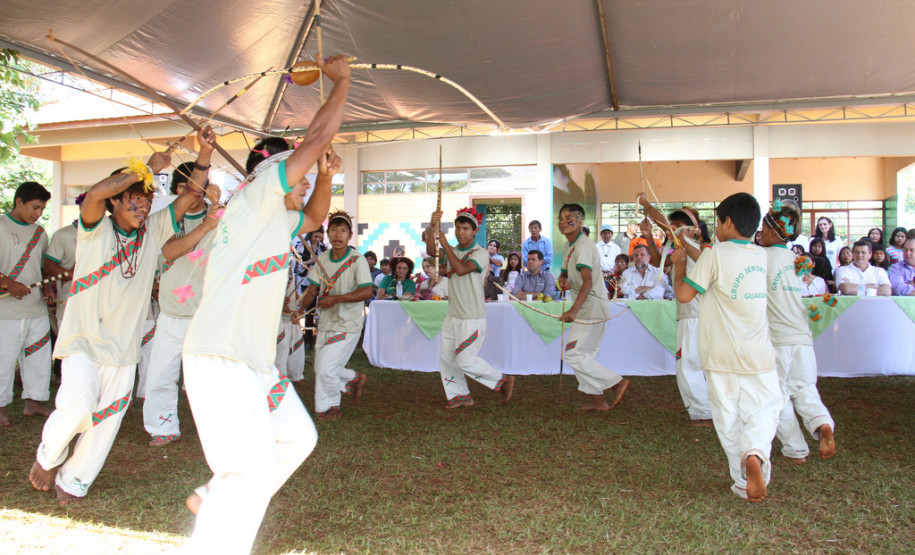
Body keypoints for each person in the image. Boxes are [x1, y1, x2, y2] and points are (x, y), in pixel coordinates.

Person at [179, 55, 350, 554]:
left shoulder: (276, 218)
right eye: (295, 177)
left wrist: (324, 177)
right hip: (221, 355)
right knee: (250, 469)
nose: (301, 184)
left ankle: (217, 498)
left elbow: (315, 216)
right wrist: (342, 81)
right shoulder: (256, 197)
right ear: (273, 174)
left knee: (298, 438)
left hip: (256, 365)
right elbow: (315, 139)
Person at [28, 140, 207, 505]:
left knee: (106, 422)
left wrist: (205, 152)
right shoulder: (93, 228)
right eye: (134, 199)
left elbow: (191, 195)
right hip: (83, 340)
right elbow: (94, 192)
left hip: (123, 351)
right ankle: (49, 456)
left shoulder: (154, 230)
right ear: (115, 202)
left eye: (146, 199)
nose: (143, 206)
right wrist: (146, 167)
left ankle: (75, 480)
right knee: (77, 409)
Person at [671, 192, 781, 502]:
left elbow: (683, 296)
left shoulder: (714, 255)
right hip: (758, 354)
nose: (715, 227)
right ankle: (755, 454)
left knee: (728, 417)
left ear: (728, 222)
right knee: (764, 409)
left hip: (719, 356)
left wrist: (680, 265)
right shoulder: (762, 256)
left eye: (718, 221)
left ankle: (741, 479)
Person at [143, 153, 221, 447]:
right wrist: (205, 227)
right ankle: (162, 426)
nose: (199, 193)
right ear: (179, 191)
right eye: (193, 188)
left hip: (207, 314)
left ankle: (214, 427)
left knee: (208, 379)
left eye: (204, 186)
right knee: (161, 374)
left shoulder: (219, 214)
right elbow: (169, 252)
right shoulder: (164, 219)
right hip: (172, 314)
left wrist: (218, 205)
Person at [760, 199, 836, 464]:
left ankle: (796, 449)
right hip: (802, 337)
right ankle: (822, 424)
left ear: (771, 230)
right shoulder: (798, 260)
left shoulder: (761, 258)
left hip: (777, 338)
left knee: (777, 394)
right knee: (805, 388)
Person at [425, 206, 515, 408]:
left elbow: (461, 269)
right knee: (447, 358)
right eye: (457, 227)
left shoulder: (481, 253)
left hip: (472, 316)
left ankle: (502, 380)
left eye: (465, 228)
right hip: (453, 314)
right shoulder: (454, 251)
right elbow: (432, 251)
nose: (460, 232)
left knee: (465, 361)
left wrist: (446, 244)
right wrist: (432, 225)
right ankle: (459, 395)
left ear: (475, 231)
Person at [634, 196, 712, 425]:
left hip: (695, 316)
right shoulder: (685, 249)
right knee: (696, 364)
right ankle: (707, 409)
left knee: (689, 364)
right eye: (672, 228)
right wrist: (649, 237)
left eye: (676, 227)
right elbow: (660, 261)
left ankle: (703, 412)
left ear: (693, 228)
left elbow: (663, 224)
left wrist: (646, 205)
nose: (671, 232)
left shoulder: (697, 249)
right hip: (695, 316)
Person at [298, 210, 372, 420]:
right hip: (327, 323)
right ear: (328, 234)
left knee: (324, 369)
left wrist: (336, 299)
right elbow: (312, 291)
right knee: (323, 368)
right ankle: (353, 378)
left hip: (348, 324)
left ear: (350, 235)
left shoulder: (357, 259)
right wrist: (299, 310)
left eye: (343, 231)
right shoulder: (322, 259)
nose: (337, 235)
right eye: (333, 230)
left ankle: (330, 407)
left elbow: (367, 291)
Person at [556, 203, 630, 411]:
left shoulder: (584, 246)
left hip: (592, 308)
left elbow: (587, 282)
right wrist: (564, 280)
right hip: (585, 306)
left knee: (573, 354)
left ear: (580, 223)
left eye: (569, 218)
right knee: (583, 356)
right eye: (561, 218)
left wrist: (573, 310)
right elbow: (564, 273)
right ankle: (599, 401)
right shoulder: (569, 245)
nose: (563, 222)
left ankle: (617, 382)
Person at [1, 181, 52, 426]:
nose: (38, 214)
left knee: (39, 357)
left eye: (41, 209)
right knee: (3, 360)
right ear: (19, 201)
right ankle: (0, 408)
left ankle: (35, 402)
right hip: (5, 311)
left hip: (36, 309)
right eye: (34, 207)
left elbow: (41, 268)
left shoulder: (40, 233)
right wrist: (8, 282)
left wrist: (49, 290)